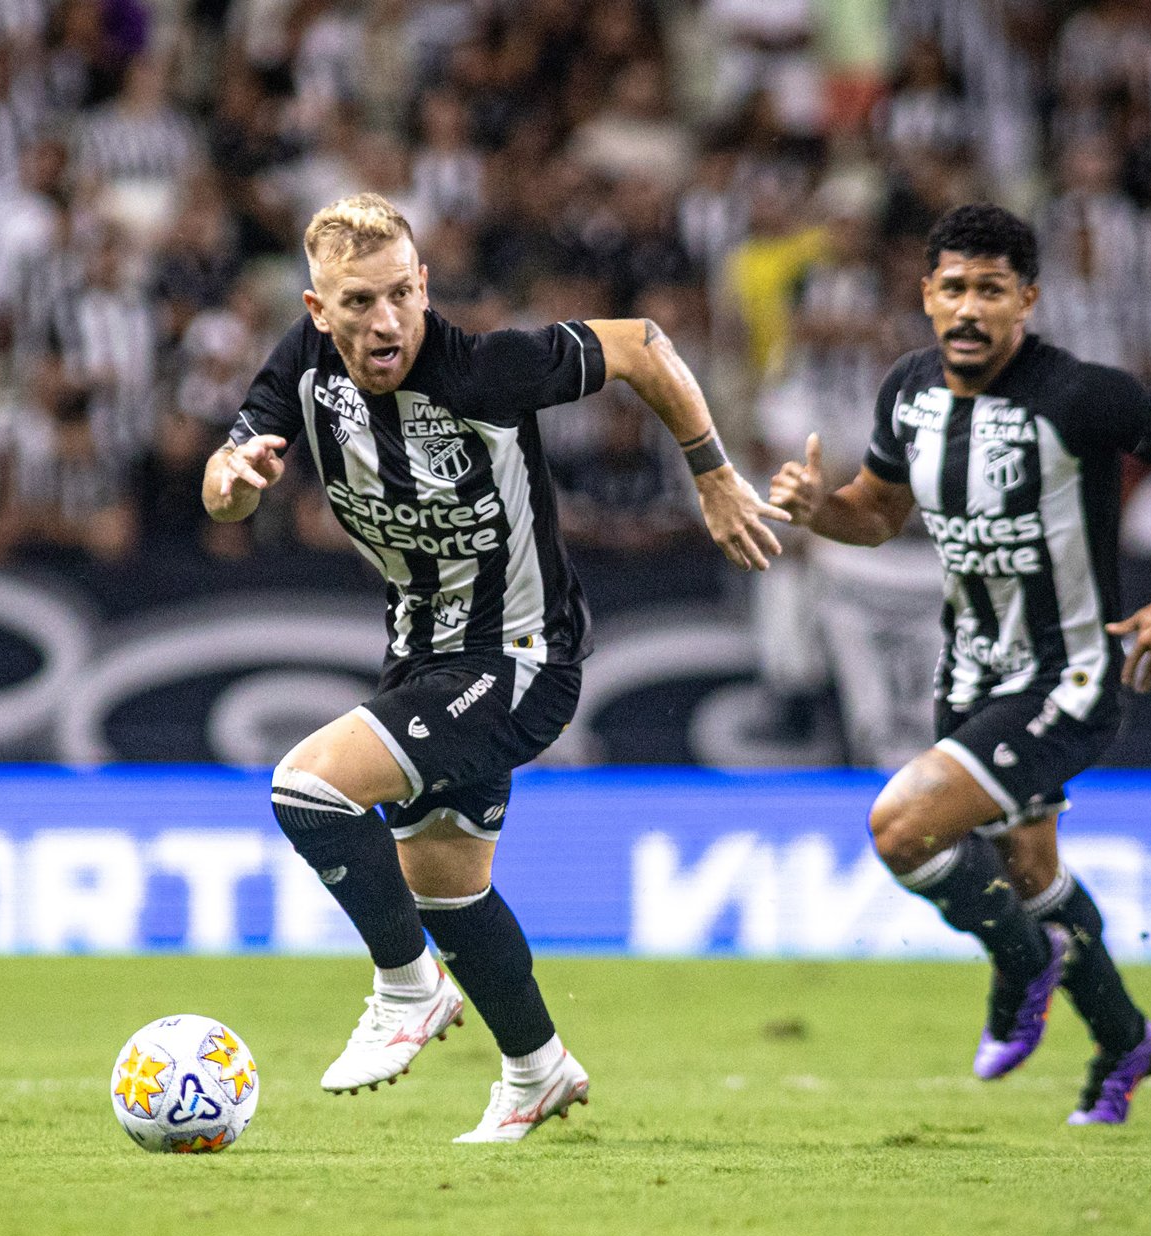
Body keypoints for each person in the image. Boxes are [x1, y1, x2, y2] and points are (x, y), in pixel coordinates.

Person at [207, 193, 786, 1142]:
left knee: (308, 789)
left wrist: (714, 473)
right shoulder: (303, 368)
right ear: (319, 312)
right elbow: (223, 483)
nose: (384, 319)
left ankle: (407, 989)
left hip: (520, 657)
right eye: (357, 302)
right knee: (444, 884)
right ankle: (537, 1068)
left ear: (424, 285)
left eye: (400, 294)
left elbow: (641, 343)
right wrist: (232, 487)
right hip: (420, 655)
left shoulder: (485, 368)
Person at [767, 203, 1151, 1125]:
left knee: (901, 828)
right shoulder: (909, 391)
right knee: (1031, 875)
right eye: (953, 287)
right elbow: (876, 515)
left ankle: (1023, 965)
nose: (969, 308)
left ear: (1027, 300)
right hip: (969, 673)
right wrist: (813, 512)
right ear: (925, 295)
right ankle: (1125, 1043)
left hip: (1065, 677)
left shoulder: (1079, 395)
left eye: (992, 290)